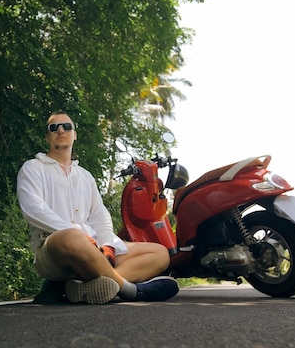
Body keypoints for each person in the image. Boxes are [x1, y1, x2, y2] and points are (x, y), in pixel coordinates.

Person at [16, 111, 179, 304]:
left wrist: (107, 244)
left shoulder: (85, 176)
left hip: (95, 247)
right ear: (47, 137)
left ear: (74, 134)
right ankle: (130, 290)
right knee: (72, 235)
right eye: (54, 128)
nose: (61, 130)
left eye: (66, 127)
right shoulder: (33, 168)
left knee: (160, 253)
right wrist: (80, 235)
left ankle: (88, 286)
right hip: (54, 249)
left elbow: (99, 215)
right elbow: (34, 210)